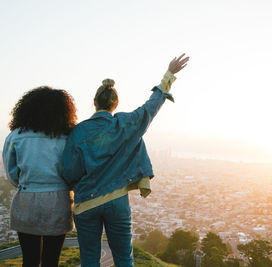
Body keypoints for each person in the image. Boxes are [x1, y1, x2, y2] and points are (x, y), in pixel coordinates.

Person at [62, 54, 189, 266]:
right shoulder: (125, 123)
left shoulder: (78, 132)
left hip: (85, 203)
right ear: (115, 104)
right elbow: (150, 108)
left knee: (89, 260)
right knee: (123, 258)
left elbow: (69, 172)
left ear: (94, 103)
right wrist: (169, 75)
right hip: (116, 200)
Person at [2, 87, 77, 267]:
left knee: (29, 260)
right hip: (59, 201)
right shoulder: (69, 137)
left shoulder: (16, 136)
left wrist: (26, 183)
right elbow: (74, 170)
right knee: (52, 260)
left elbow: (11, 173)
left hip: (27, 200)